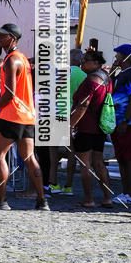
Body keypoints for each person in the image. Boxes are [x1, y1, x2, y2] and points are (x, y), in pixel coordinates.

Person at [0, 22, 49, 211]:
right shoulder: (22, 59)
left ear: (12, 38)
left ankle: (2, 200)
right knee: (30, 158)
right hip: (27, 116)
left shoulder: (12, 60)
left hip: (11, 115)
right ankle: (42, 200)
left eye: (2, 35)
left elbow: (10, 93)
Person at [70, 49, 114, 209]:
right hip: (99, 128)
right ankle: (107, 197)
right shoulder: (106, 78)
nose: (82, 63)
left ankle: (88, 199)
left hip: (86, 127)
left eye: (86, 60)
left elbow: (83, 105)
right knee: (99, 163)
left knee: (85, 164)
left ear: (96, 63)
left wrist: (71, 125)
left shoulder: (91, 80)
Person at [48, 48, 87, 195]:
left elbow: (55, 92)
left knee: (53, 150)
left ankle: (54, 183)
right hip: (74, 115)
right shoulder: (84, 76)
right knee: (72, 152)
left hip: (58, 112)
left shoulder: (65, 72)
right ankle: (68, 186)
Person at [109, 44, 131, 205]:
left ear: (127, 57)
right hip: (117, 122)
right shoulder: (121, 74)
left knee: (130, 158)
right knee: (122, 158)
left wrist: (125, 120)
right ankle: (125, 192)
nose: (116, 58)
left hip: (128, 123)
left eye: (119, 55)